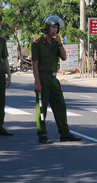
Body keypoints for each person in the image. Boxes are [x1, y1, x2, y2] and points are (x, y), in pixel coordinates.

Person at [32, 15, 81, 144]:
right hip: (42, 77)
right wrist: (37, 82)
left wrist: (59, 43)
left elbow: (64, 57)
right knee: (41, 108)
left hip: (54, 77)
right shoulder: (37, 43)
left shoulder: (55, 43)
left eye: (57, 28)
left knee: (60, 106)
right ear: (47, 27)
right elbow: (35, 64)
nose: (55, 30)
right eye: (53, 27)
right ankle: (42, 134)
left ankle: (64, 133)